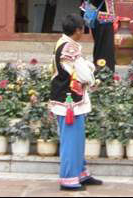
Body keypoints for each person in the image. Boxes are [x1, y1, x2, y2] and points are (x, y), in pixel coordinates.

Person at [49, 13, 103, 191]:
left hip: (70, 100)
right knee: (71, 141)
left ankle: (80, 173)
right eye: (82, 29)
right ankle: (69, 179)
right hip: (69, 102)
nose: (83, 32)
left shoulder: (63, 43)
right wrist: (92, 77)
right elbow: (84, 72)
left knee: (77, 139)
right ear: (78, 30)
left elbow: (82, 66)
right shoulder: (70, 48)